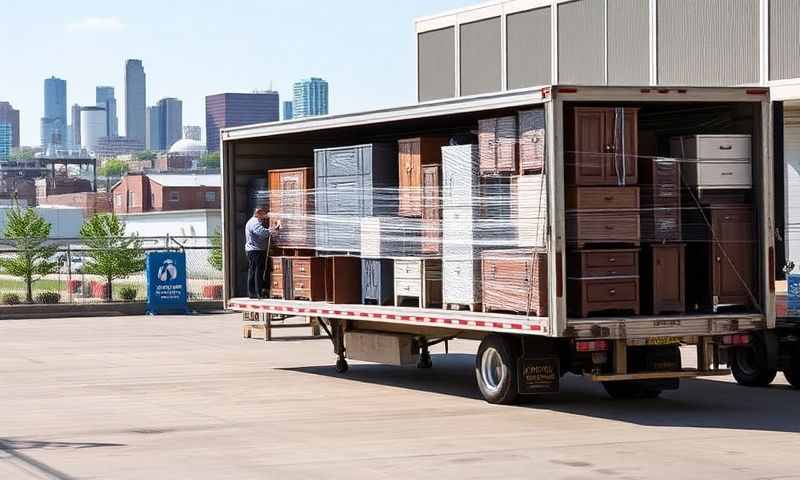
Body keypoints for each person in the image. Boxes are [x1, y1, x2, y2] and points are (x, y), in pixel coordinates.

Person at [245, 209, 280, 299]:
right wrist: (273, 230)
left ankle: (253, 292)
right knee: (257, 271)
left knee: (254, 270)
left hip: (254, 250)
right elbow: (262, 233)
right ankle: (257, 293)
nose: (265, 216)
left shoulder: (254, 221)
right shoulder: (254, 222)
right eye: (263, 214)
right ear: (258, 214)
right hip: (256, 251)